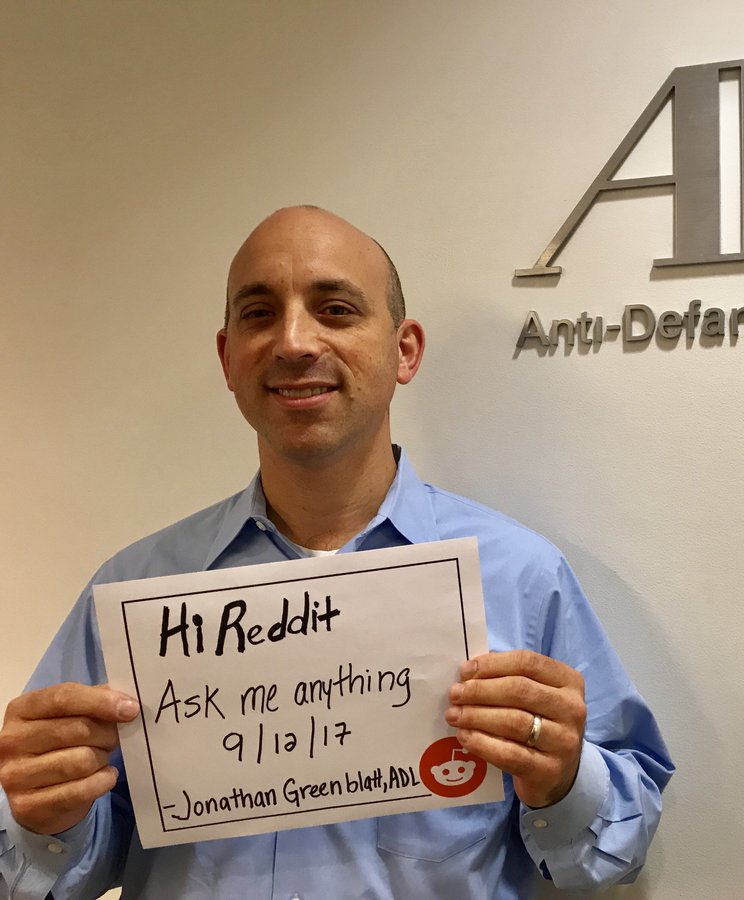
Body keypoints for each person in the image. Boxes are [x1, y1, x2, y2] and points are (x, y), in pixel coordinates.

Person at [0, 206, 673, 899]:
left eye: (336, 310)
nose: (294, 341)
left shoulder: (522, 578)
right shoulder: (136, 592)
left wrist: (564, 781)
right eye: (260, 313)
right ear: (227, 358)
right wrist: (42, 816)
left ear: (404, 350)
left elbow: (616, 848)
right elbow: (53, 868)